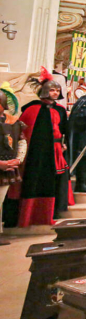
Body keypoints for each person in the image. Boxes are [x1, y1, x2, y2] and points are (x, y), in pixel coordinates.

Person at [15, 69, 72, 226]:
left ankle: (53, 212)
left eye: (57, 90)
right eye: (52, 90)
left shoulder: (60, 110)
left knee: (56, 180)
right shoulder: (32, 109)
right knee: (35, 179)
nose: (55, 92)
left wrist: (63, 143)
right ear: (45, 91)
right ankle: (30, 216)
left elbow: (65, 130)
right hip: (38, 152)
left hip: (57, 151)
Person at [0, 86, 26, 245]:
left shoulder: (13, 122)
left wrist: (18, 159)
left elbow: (21, 141)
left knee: (0, 202)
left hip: (8, 166)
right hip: (2, 165)